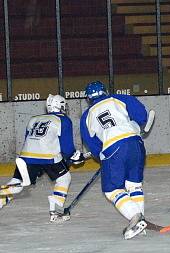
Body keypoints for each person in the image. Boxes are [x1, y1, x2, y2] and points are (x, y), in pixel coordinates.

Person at [81, 81, 151, 240]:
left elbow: (92, 144)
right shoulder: (120, 98)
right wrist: (135, 124)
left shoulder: (87, 115)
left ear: (88, 98)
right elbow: (141, 115)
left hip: (113, 148)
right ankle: (140, 222)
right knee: (134, 185)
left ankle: (136, 217)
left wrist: (102, 156)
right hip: (136, 144)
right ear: (105, 91)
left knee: (112, 190)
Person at [0, 94, 85, 222]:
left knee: (17, 184)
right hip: (48, 157)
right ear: (61, 106)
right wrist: (74, 156)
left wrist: (36, 166)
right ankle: (55, 212)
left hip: (26, 157)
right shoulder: (63, 120)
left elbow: (28, 140)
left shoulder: (34, 119)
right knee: (64, 178)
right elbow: (67, 148)